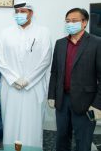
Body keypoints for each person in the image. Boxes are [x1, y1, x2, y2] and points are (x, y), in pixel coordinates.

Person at [0, 2, 52, 148]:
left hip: (34, 87)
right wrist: (14, 79)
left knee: (32, 125)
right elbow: (0, 60)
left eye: (23, 11)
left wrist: (27, 80)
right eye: (17, 11)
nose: (19, 14)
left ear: (31, 13)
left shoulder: (43, 32)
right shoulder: (5, 33)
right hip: (10, 87)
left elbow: (45, 59)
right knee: (10, 123)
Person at [48, 8, 101, 151]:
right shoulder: (60, 44)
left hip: (86, 102)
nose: (70, 24)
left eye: (74, 21)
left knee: (83, 142)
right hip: (62, 100)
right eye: (67, 21)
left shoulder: (97, 43)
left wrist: (98, 104)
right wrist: (52, 95)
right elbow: (55, 72)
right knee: (61, 139)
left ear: (84, 22)